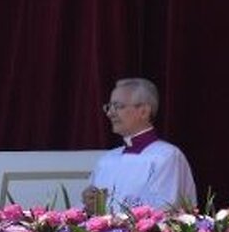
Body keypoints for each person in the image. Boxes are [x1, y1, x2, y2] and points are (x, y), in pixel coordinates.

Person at [82, 77, 196, 214]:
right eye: (109, 106)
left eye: (118, 106)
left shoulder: (166, 156)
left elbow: (164, 211)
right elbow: (89, 213)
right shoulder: (107, 160)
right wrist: (88, 205)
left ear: (143, 111)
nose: (110, 113)